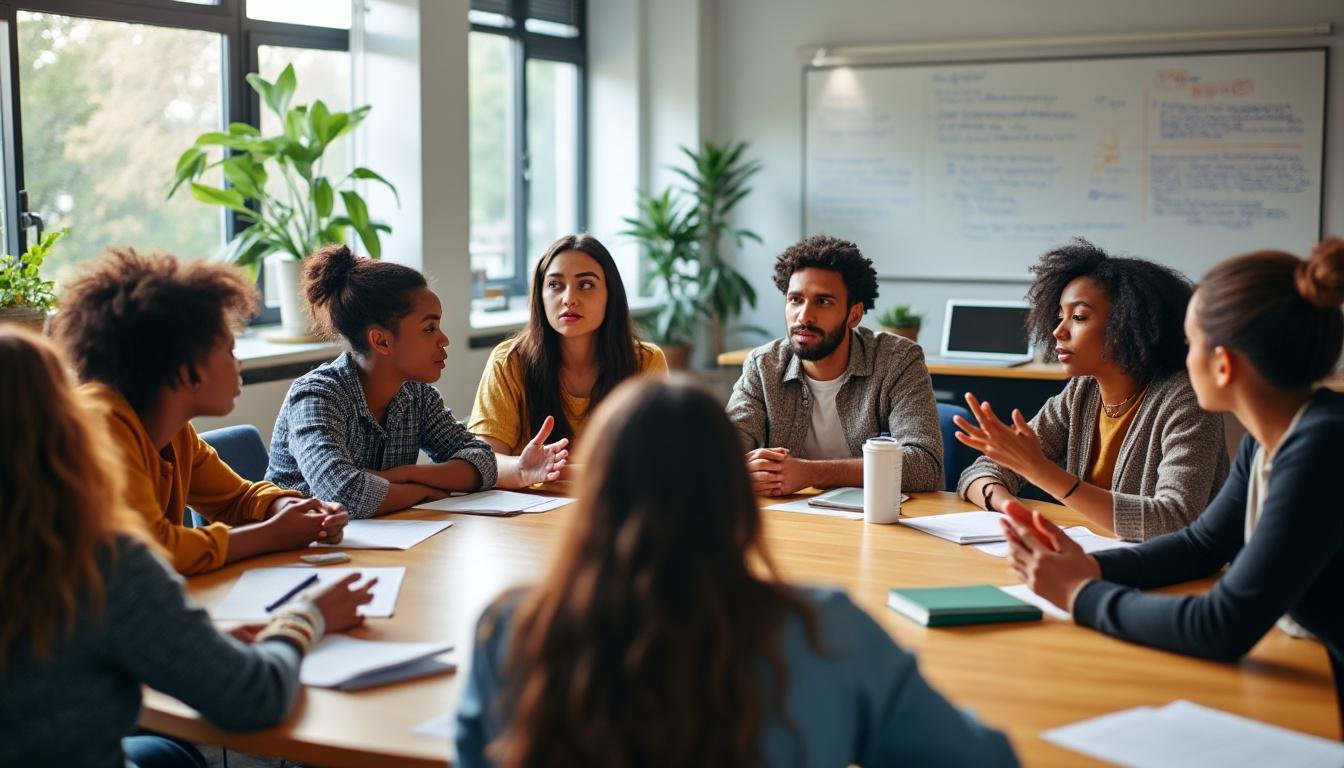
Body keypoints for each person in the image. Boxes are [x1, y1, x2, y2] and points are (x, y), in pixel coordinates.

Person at [456, 377, 1017, 767]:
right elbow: (986, 760)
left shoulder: (511, 629)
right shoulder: (826, 632)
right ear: (735, 499)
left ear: (596, 497)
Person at [1001, 238, 1344, 728]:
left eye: (1190, 342)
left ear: (1222, 365)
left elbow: (1221, 626)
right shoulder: (1272, 437)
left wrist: (1079, 594)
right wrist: (1089, 567)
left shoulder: (1322, 447)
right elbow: (1201, 544)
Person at [0, 326, 376, 768]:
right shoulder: (101, 563)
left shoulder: (173, 440)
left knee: (170, 756)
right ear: (63, 422)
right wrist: (306, 616)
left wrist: (282, 507)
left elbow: (235, 498)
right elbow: (254, 697)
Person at [51, 248, 348, 576]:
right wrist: (272, 534)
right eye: (229, 351)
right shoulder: (101, 425)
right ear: (186, 370)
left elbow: (235, 499)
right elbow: (151, 552)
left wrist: (288, 508)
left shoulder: (175, 432)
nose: (238, 363)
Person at [956, 240, 1229, 541]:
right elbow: (979, 474)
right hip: (1094, 553)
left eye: (1079, 317)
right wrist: (1013, 510)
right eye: (1059, 316)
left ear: (1128, 323)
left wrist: (1041, 471)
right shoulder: (1081, 392)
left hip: (1169, 564)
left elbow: (1173, 518)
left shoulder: (1185, 399)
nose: (1058, 331)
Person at [267, 245, 566, 519]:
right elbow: (345, 494)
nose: (444, 339)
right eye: (429, 328)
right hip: (299, 551)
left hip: (380, 541)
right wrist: (423, 492)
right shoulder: (316, 397)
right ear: (381, 341)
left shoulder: (416, 395)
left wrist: (406, 474)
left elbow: (482, 461)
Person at [727, 235, 943, 496]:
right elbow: (722, 450)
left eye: (823, 301)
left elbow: (924, 465)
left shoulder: (897, 361)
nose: (804, 316)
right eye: (795, 300)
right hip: (787, 516)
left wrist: (811, 473)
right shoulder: (764, 366)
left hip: (877, 517)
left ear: (854, 314)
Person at [469, 234, 667, 456]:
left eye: (586, 284)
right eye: (555, 285)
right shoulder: (508, 361)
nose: (569, 299)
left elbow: (659, 456)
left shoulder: (645, 361)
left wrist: (555, 469)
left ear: (611, 294)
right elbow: (488, 461)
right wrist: (525, 468)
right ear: (539, 296)